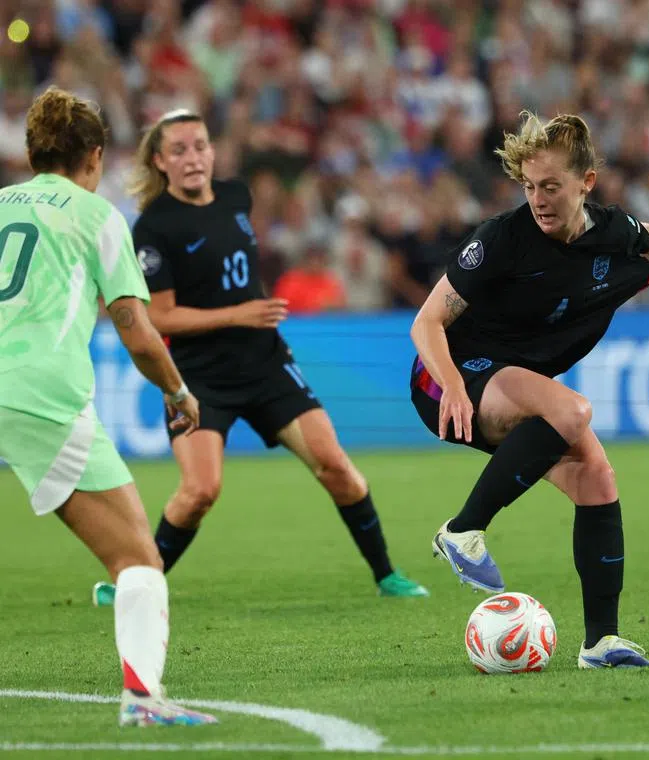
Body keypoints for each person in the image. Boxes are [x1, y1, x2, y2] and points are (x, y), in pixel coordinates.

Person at [409, 111, 649, 668]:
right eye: (529, 186)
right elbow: (426, 324)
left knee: (598, 477)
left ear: (585, 183)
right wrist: (450, 386)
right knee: (574, 411)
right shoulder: (501, 238)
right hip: (450, 375)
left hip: (513, 382)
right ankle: (463, 530)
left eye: (551, 187)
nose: (538, 200)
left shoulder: (612, 235)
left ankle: (600, 641)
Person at [91, 110, 427, 605]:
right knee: (200, 491)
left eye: (200, 146)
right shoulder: (154, 229)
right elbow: (158, 317)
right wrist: (237, 313)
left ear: (212, 151)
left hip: (266, 364)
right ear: (160, 161)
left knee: (336, 466)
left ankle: (387, 575)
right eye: (179, 150)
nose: (192, 157)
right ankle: (134, 582)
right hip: (199, 377)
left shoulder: (234, 197)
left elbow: (238, 276)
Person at [0, 87, 216, 726]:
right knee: (137, 560)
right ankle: (144, 702)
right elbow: (136, 331)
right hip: (41, 394)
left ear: (34, 150)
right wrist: (177, 391)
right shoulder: (97, 217)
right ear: (93, 157)